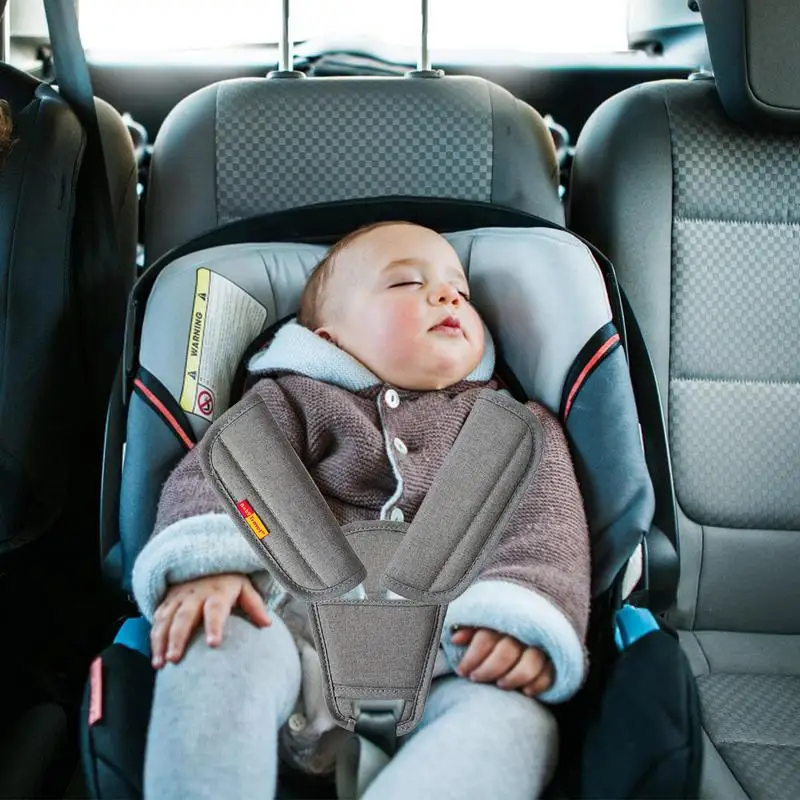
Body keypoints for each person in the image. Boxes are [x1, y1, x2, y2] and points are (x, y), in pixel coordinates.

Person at [132, 221, 591, 799]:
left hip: (452, 661)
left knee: (517, 724)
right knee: (217, 640)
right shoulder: (291, 400)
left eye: (461, 291)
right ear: (328, 338)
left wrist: (520, 618)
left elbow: (545, 532)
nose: (448, 296)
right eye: (405, 284)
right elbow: (231, 483)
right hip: (291, 638)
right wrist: (215, 563)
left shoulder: (512, 431)